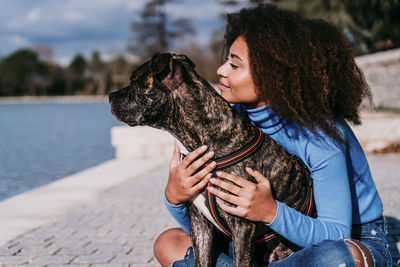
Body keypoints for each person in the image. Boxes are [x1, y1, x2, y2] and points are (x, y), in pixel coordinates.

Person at [153, 4, 393, 267]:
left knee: (343, 258)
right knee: (169, 243)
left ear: (273, 75)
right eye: (226, 60)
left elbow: (336, 235)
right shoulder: (231, 118)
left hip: (349, 238)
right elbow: (214, 225)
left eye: (234, 65)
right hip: (263, 242)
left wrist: (270, 211)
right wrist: (175, 197)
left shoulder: (321, 135)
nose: (221, 70)